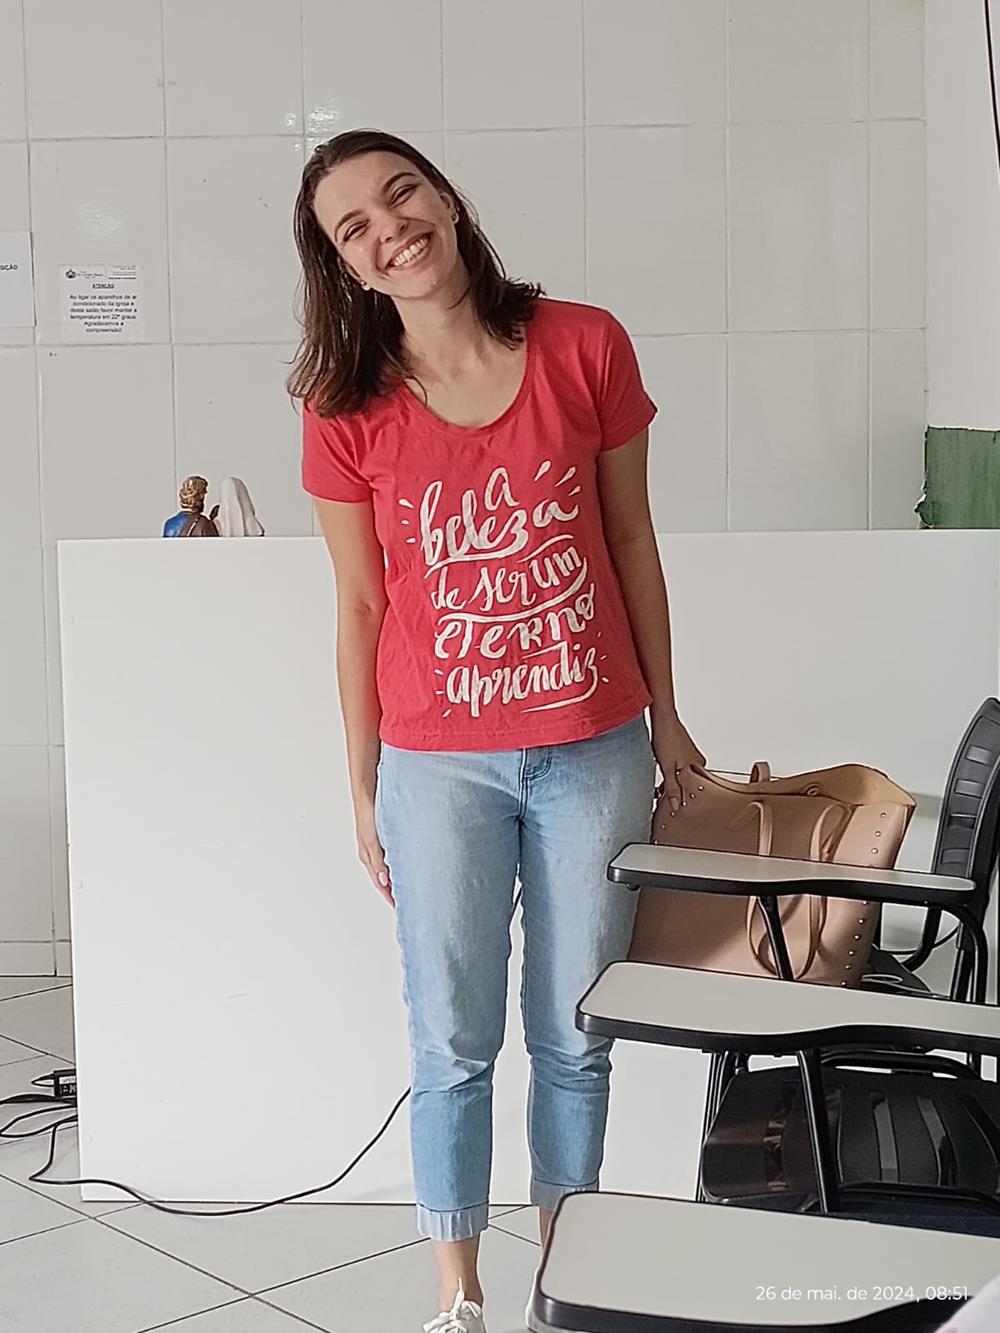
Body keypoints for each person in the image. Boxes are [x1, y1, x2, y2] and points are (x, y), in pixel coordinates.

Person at [287, 128, 704, 1333]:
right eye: (354, 227)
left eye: (400, 193)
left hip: (592, 747)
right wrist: (362, 784)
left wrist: (667, 716)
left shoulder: (584, 344)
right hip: (436, 766)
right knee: (451, 1042)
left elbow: (630, 538)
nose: (390, 229)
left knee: (576, 1035)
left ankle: (562, 1280)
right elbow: (359, 605)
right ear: (341, 266)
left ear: (444, 195)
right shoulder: (343, 405)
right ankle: (458, 1296)